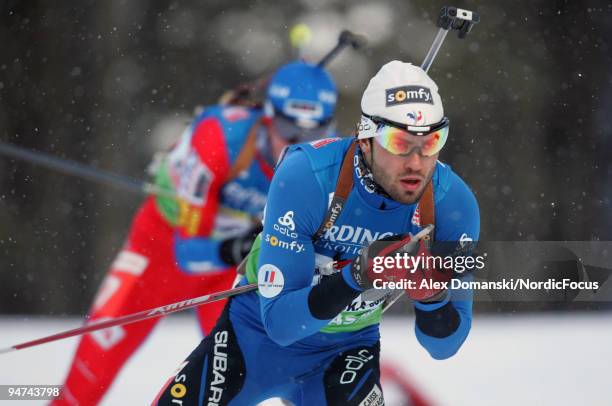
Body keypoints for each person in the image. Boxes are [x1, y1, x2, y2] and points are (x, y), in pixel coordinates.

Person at [153, 60, 480, 406]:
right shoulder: (307, 176)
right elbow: (280, 325)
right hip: (253, 337)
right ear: (366, 139)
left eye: (430, 142)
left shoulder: (452, 205)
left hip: (346, 351)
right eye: (399, 143)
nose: (416, 162)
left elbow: (445, 345)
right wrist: (358, 274)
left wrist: (432, 299)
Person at [52, 61, 338, 406]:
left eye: (313, 133)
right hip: (161, 250)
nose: (296, 143)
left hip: (231, 273)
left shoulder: (327, 163)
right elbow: (186, 255)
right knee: (93, 367)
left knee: (257, 370)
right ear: (267, 117)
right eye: (287, 128)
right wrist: (241, 244)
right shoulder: (221, 140)